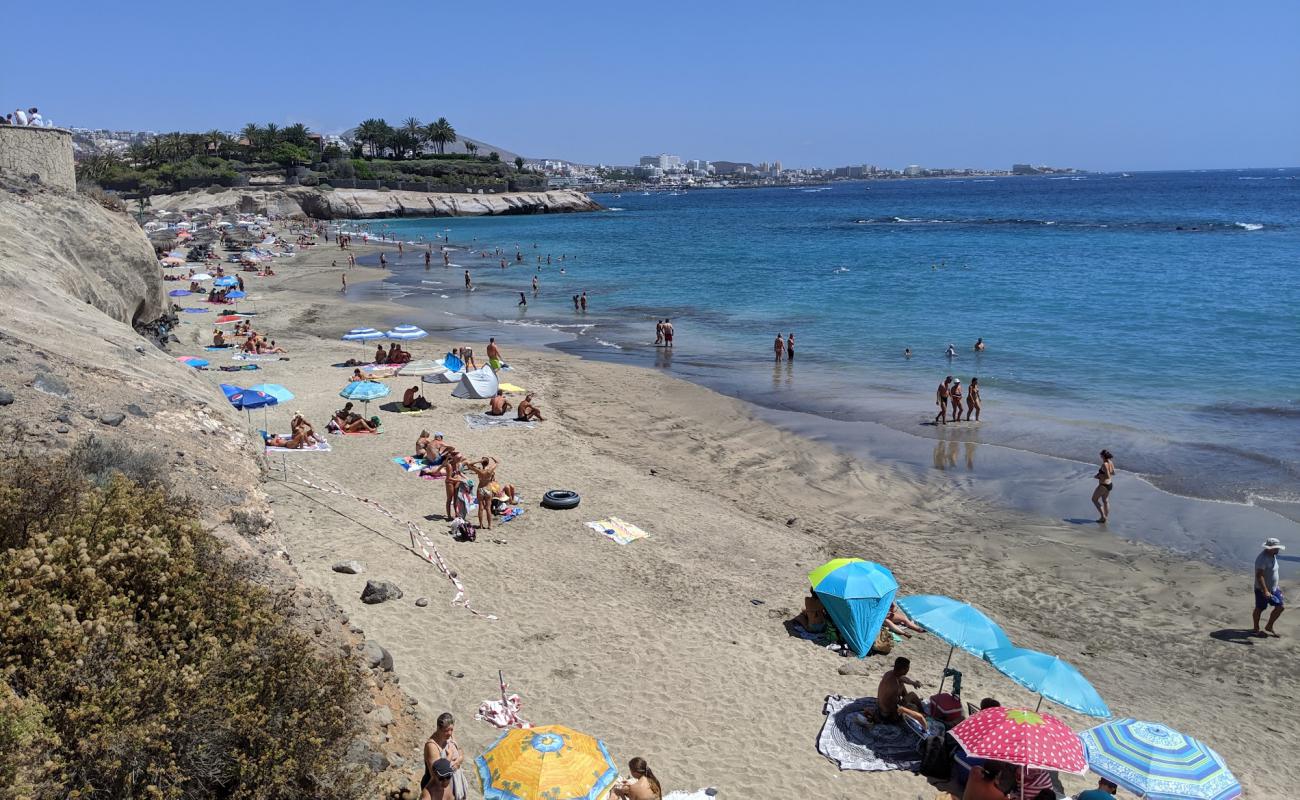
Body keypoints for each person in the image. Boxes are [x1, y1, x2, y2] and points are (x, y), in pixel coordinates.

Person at [869, 656, 927, 729]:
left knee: (902, 684)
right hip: (888, 715)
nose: (908, 669)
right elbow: (893, 708)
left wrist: (913, 683)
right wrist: (908, 709)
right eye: (908, 668)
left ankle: (911, 703)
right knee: (912, 696)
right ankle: (923, 713)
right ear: (904, 669)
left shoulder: (889, 673)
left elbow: (903, 678)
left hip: (881, 707)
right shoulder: (894, 686)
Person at [421, 713, 467, 800]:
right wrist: (451, 759)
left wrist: (460, 759)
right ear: (438, 728)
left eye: (451, 729)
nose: (449, 733)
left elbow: (460, 750)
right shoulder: (432, 746)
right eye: (446, 730)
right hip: (439, 788)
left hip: (453, 782)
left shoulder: (449, 736)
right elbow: (437, 773)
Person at [1253, 537, 1286, 637]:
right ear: (1270, 548)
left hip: (1273, 588)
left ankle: (1269, 626)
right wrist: (1265, 591)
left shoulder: (1272, 555)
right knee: (1260, 608)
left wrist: (1274, 586)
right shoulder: (1262, 559)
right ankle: (1256, 628)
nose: (1278, 550)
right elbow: (1259, 575)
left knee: (1280, 607)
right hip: (1262, 589)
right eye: (1276, 548)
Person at [1091, 449, 1115, 523]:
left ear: (1103, 456)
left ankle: (1103, 517)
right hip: (1109, 485)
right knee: (1105, 501)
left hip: (1103, 485)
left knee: (1094, 499)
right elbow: (1113, 473)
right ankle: (1105, 517)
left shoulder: (1105, 464)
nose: (1100, 457)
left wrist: (1098, 476)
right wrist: (1101, 474)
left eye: (1101, 455)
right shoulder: (1111, 462)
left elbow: (1108, 476)